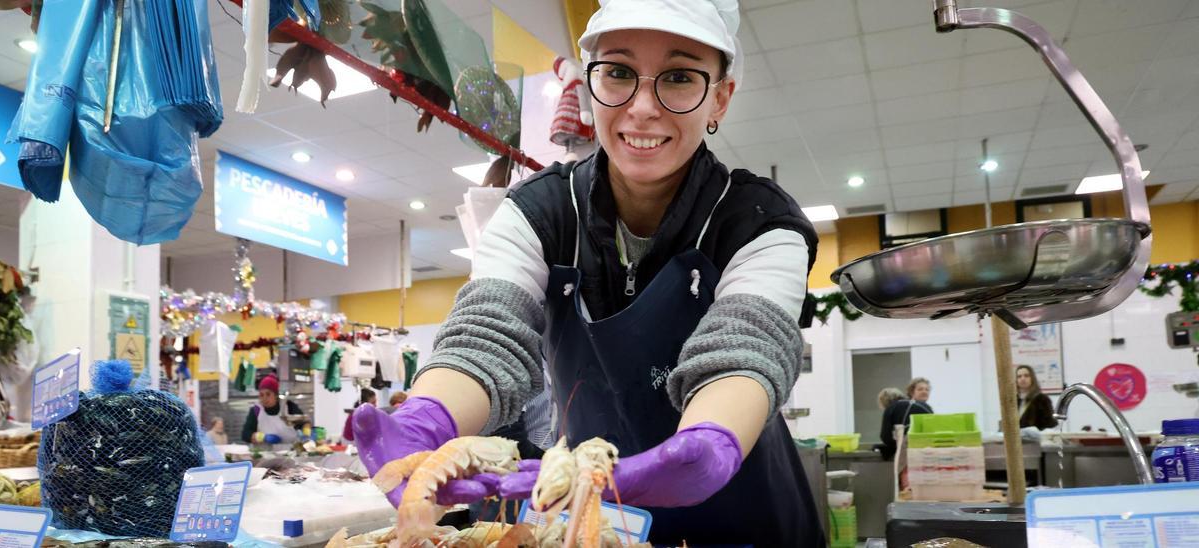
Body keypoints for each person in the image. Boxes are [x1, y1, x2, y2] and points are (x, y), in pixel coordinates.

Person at [348, 1, 823, 543]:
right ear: (590, 82)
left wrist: (710, 442)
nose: (643, 107)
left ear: (719, 97)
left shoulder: (761, 224)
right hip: (597, 517)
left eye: (680, 77)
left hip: (744, 518)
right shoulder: (537, 212)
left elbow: (747, 348)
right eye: (618, 72)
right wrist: (426, 420)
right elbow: (486, 337)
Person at [240, 375, 303, 445]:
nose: (264, 398)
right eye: (261, 395)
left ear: (276, 395)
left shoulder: (289, 406)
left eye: (268, 394)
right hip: (266, 453)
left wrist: (306, 434)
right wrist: (263, 437)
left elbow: (304, 424)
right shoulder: (256, 410)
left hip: (290, 452)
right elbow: (245, 434)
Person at [877, 387, 933, 461]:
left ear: (884, 402)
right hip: (929, 449)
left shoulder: (891, 408)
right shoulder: (923, 405)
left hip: (909, 452)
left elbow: (885, 436)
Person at [1016, 365, 1058, 430]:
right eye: (1019, 376)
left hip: (1036, 438)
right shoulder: (1013, 401)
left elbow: (1050, 424)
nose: (1022, 378)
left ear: (1032, 378)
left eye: (1026, 376)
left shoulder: (1042, 399)